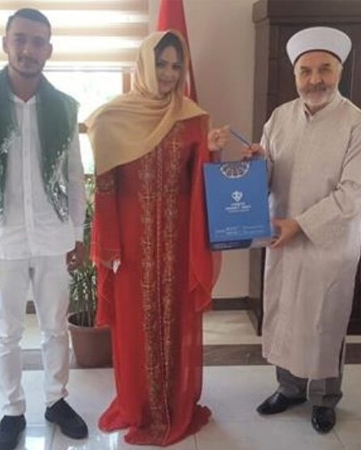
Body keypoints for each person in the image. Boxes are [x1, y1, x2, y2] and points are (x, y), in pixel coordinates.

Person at [0, 8, 88, 450]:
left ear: (49, 49)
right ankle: (12, 410)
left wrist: (78, 233)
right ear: (6, 43)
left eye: (38, 41)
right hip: (2, 238)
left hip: (53, 236)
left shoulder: (64, 107)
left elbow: (74, 177)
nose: (29, 49)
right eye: (21, 39)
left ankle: (56, 400)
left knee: (55, 327)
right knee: (6, 330)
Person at [85, 30, 227, 446]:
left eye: (176, 66)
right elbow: (105, 186)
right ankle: (138, 404)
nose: (168, 73)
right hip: (131, 244)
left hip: (179, 240)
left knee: (175, 319)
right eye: (161, 63)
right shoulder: (112, 118)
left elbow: (200, 181)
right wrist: (109, 244)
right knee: (135, 323)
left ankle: (174, 402)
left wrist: (212, 151)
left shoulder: (193, 117)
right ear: (145, 64)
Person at [244, 26, 361, 434]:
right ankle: (289, 388)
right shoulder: (279, 118)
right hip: (282, 235)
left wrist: (301, 224)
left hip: (328, 242)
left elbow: (352, 194)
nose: (315, 79)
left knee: (324, 320)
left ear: (339, 71)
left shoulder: (357, 123)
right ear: (295, 75)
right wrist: (256, 164)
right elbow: (268, 177)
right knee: (286, 314)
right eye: (306, 71)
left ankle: (324, 399)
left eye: (325, 69)